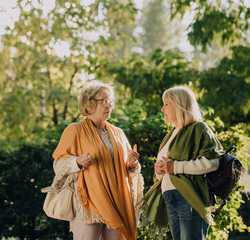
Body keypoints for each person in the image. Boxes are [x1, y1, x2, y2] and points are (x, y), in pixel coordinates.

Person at [50, 80, 144, 240]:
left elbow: (132, 169)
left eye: (111, 101)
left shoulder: (118, 133)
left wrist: (133, 164)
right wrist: (77, 162)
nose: (110, 106)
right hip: (89, 205)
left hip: (117, 203)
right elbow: (58, 165)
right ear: (89, 104)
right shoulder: (75, 130)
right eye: (105, 101)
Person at [143, 86, 224, 240]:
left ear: (179, 105)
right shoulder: (171, 134)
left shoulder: (198, 128)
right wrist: (159, 171)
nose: (162, 109)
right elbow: (166, 171)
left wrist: (176, 166)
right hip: (170, 197)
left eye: (166, 104)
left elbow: (212, 162)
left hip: (188, 196)